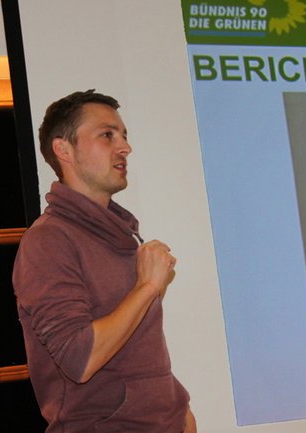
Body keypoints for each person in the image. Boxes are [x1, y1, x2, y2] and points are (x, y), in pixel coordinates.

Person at [12, 90, 196, 433]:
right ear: (64, 149)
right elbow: (79, 360)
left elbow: (136, 349)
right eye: (107, 135)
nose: (125, 147)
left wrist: (179, 409)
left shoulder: (121, 235)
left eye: (124, 135)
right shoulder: (48, 241)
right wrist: (147, 287)